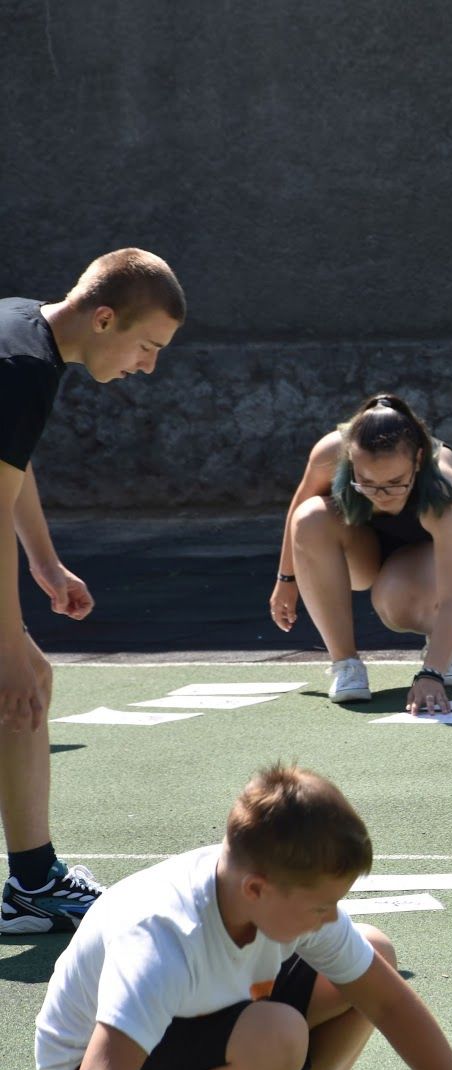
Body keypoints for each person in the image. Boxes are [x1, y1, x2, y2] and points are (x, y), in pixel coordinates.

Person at [35, 763, 452, 1070]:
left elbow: (388, 1003)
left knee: (372, 951)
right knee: (277, 1034)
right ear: (257, 890)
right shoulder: (160, 941)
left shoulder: (268, 891)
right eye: (321, 906)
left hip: (184, 1026)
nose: (331, 918)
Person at [1, 249, 185, 935]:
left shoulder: (24, 331)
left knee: (27, 688)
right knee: (18, 683)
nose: (149, 366)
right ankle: (34, 881)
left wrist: (45, 563)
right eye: (147, 346)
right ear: (104, 319)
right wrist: (7, 649)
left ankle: (33, 882)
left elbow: (10, 467)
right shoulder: (22, 367)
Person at [270, 393, 452, 712]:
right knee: (310, 516)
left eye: (395, 482)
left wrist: (431, 674)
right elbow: (299, 509)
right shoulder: (330, 452)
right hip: (365, 548)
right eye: (366, 482)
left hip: (427, 561)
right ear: (351, 460)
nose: (381, 495)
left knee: (395, 600)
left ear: (418, 460)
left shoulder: (443, 482)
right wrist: (286, 579)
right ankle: (346, 665)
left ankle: (445, 640)